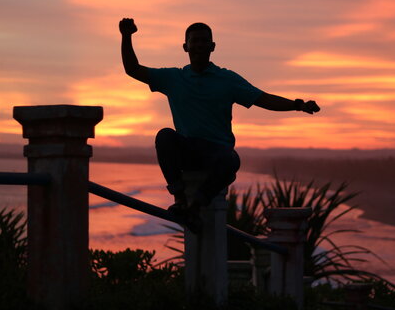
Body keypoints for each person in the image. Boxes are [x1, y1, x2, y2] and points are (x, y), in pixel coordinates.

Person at [119, 18, 320, 231]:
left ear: (212, 47)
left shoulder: (227, 79)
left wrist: (298, 105)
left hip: (216, 153)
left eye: (204, 41)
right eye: (194, 41)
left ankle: (195, 207)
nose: (199, 46)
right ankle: (180, 200)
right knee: (164, 136)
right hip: (187, 149)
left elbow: (263, 99)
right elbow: (132, 69)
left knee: (231, 160)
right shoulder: (173, 77)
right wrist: (126, 36)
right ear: (185, 46)